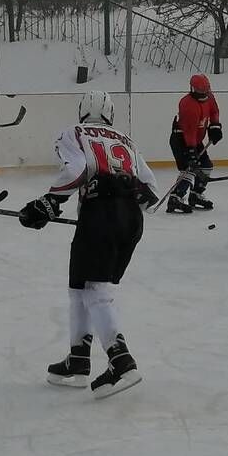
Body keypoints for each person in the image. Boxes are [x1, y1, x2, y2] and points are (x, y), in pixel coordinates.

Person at [19, 89, 159, 398]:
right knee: (79, 285)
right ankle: (78, 360)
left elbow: (76, 169)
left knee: (95, 289)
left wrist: (48, 202)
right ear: (110, 114)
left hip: (100, 214)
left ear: (82, 111)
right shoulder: (126, 140)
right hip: (131, 219)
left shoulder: (73, 132)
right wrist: (122, 198)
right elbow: (152, 192)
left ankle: (121, 362)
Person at [167, 73, 221, 213]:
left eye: (205, 91)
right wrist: (191, 152)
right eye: (200, 91)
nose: (203, 94)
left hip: (195, 140)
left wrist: (215, 126)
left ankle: (196, 194)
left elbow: (214, 111)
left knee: (206, 167)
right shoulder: (187, 104)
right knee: (190, 169)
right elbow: (189, 131)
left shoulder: (209, 97)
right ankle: (175, 197)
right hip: (181, 140)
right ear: (192, 89)